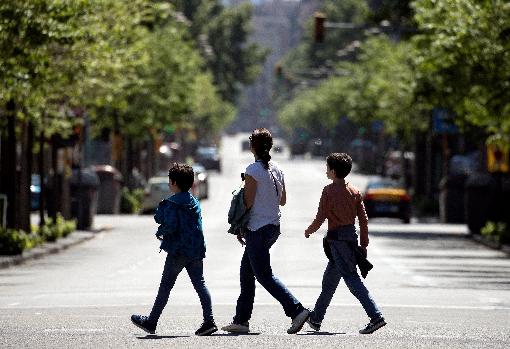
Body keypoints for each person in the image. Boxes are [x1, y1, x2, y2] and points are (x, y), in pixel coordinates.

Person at [222, 128, 310, 335]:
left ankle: (296, 310)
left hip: (258, 229)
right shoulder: (276, 168)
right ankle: (241, 320)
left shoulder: (253, 170)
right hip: (273, 227)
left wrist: (239, 223)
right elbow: (283, 200)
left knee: (264, 275)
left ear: (253, 146)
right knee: (247, 272)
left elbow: (248, 201)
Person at [130, 163, 217, 336]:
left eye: (170, 181)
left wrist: (160, 231)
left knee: (165, 287)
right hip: (195, 249)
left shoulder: (170, 203)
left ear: (173, 183)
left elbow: (166, 222)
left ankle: (151, 321)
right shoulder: (194, 201)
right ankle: (209, 320)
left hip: (178, 251)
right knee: (200, 284)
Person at [304, 153, 386, 334]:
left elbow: (320, 217)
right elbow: (363, 221)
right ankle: (316, 319)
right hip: (349, 238)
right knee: (329, 282)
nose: (326, 171)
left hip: (337, 241)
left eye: (327, 168)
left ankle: (376, 316)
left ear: (333, 171)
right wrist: (363, 244)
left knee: (351, 279)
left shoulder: (328, 191)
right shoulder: (354, 192)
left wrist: (309, 231)